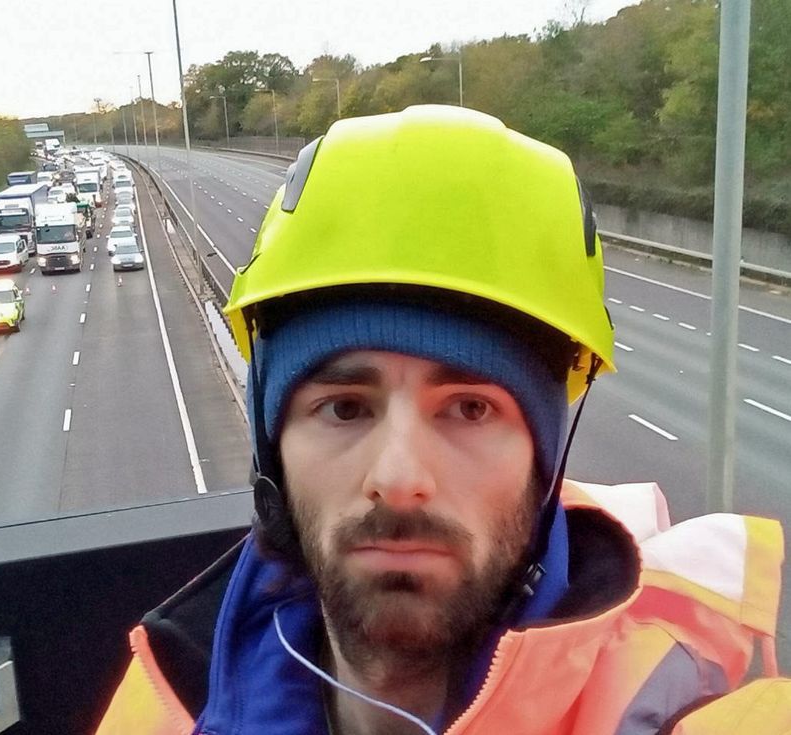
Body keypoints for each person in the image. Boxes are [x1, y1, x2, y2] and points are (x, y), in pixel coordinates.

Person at [96, 107, 788, 735]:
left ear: (544, 464)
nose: (399, 479)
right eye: (345, 408)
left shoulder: (683, 705)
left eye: (469, 408)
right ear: (271, 451)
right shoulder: (163, 709)